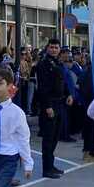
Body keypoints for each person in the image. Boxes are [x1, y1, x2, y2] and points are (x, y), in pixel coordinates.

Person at [33, 38, 69, 179]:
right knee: (48, 138)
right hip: (49, 104)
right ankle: (46, 169)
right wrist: (47, 106)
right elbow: (42, 88)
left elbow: (62, 82)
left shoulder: (58, 63)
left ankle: (51, 165)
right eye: (51, 47)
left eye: (56, 47)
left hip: (59, 103)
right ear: (47, 48)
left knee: (55, 137)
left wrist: (68, 94)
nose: (54, 50)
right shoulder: (43, 64)